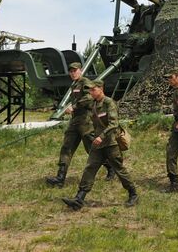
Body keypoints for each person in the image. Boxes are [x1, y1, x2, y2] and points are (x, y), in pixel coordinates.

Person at [62, 79, 138, 209]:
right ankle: (79, 198)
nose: (91, 92)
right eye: (90, 90)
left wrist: (101, 136)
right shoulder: (93, 103)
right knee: (90, 168)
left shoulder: (109, 103)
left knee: (119, 169)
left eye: (93, 90)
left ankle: (133, 194)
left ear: (101, 89)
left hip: (110, 143)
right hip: (98, 144)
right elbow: (82, 105)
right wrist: (72, 110)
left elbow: (113, 124)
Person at [45, 62, 114, 188]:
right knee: (67, 147)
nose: (72, 73)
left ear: (80, 70)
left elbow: (90, 97)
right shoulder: (74, 85)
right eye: (70, 71)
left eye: (75, 70)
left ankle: (110, 167)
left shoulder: (85, 82)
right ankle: (60, 178)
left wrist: (75, 106)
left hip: (85, 122)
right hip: (75, 121)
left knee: (91, 148)